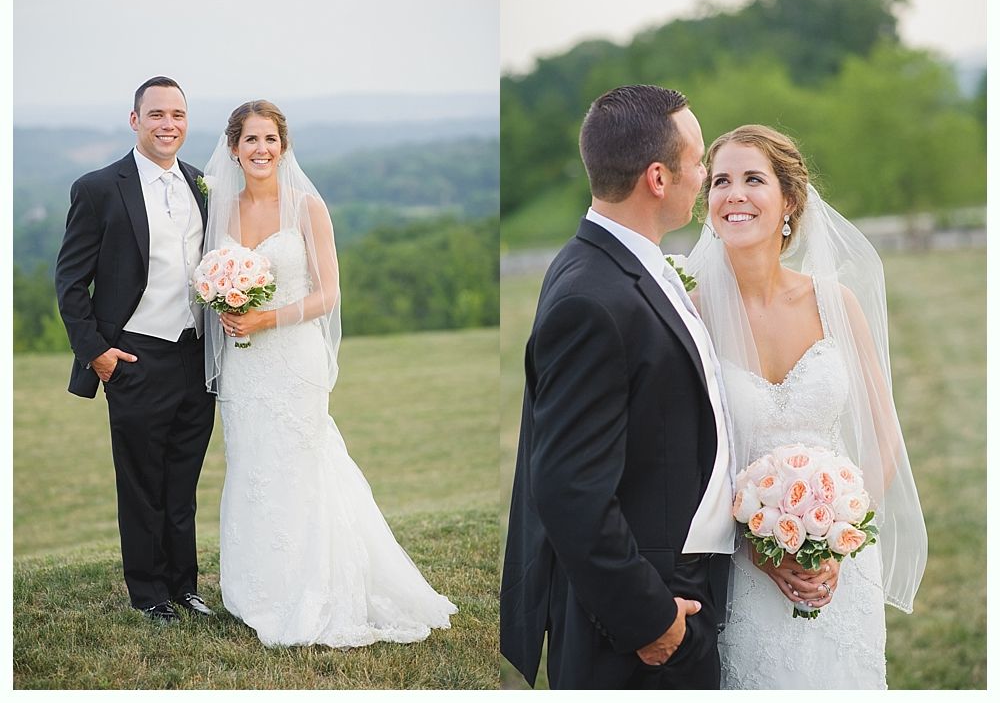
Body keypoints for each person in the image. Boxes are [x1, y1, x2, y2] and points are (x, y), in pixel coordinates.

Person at [501, 85, 736, 689]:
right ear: (658, 178)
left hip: (679, 586)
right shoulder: (593, 296)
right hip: (640, 620)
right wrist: (650, 621)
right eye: (699, 159)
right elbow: (568, 488)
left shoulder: (623, 264)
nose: (706, 173)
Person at [200, 100, 457, 648]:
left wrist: (265, 316)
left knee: (301, 468)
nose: (261, 149)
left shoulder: (306, 208)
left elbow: (328, 295)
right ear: (233, 148)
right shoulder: (220, 213)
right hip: (244, 368)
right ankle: (259, 590)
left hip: (293, 358)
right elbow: (209, 280)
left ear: (284, 147)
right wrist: (226, 306)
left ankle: (315, 589)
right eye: (251, 140)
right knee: (252, 468)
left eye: (271, 139)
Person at [686, 124, 927, 689]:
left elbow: (885, 432)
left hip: (840, 559)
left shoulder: (832, 301)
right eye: (720, 181)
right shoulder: (692, 314)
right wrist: (760, 546)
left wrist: (841, 534)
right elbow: (690, 456)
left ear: (789, 200)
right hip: (743, 561)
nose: (734, 194)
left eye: (753, 179)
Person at [55, 76, 217, 624]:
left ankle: (185, 586)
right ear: (135, 121)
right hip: (134, 358)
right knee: (142, 482)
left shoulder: (202, 183)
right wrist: (96, 353)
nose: (168, 124)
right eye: (156, 115)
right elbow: (70, 283)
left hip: (195, 357)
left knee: (182, 482)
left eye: (177, 114)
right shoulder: (100, 187)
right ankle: (148, 593)